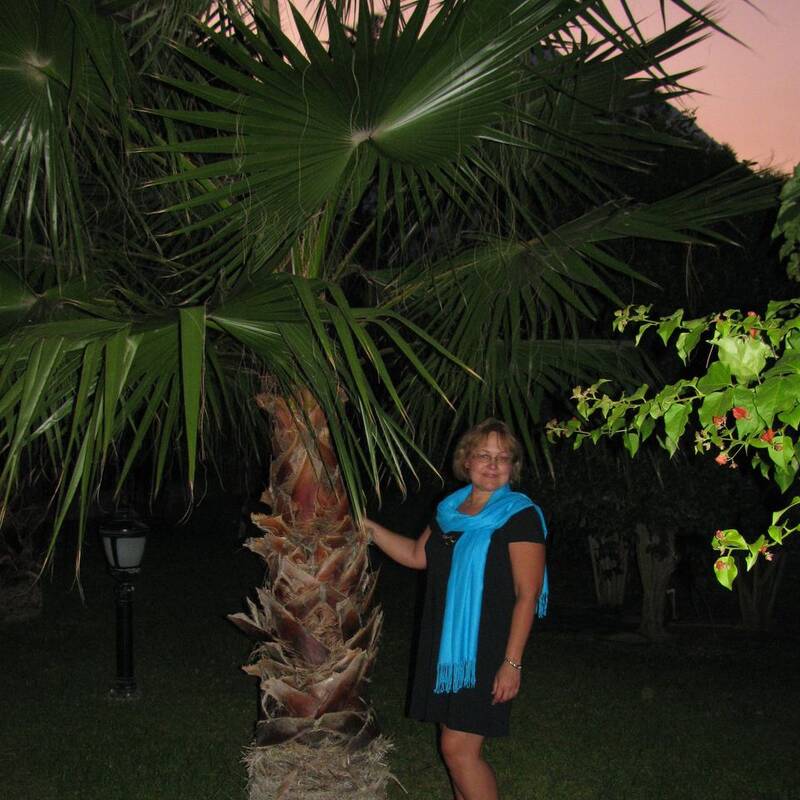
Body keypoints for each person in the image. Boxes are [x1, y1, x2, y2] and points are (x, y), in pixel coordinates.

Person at [364, 419, 547, 800]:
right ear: (466, 461)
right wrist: (367, 527)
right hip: (449, 643)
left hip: (487, 646)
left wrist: (511, 663)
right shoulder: (449, 510)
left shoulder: (520, 515)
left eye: (503, 457)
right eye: (483, 455)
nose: (493, 464)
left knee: (458, 750)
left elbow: (527, 594)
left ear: (513, 466)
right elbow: (416, 555)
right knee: (454, 748)